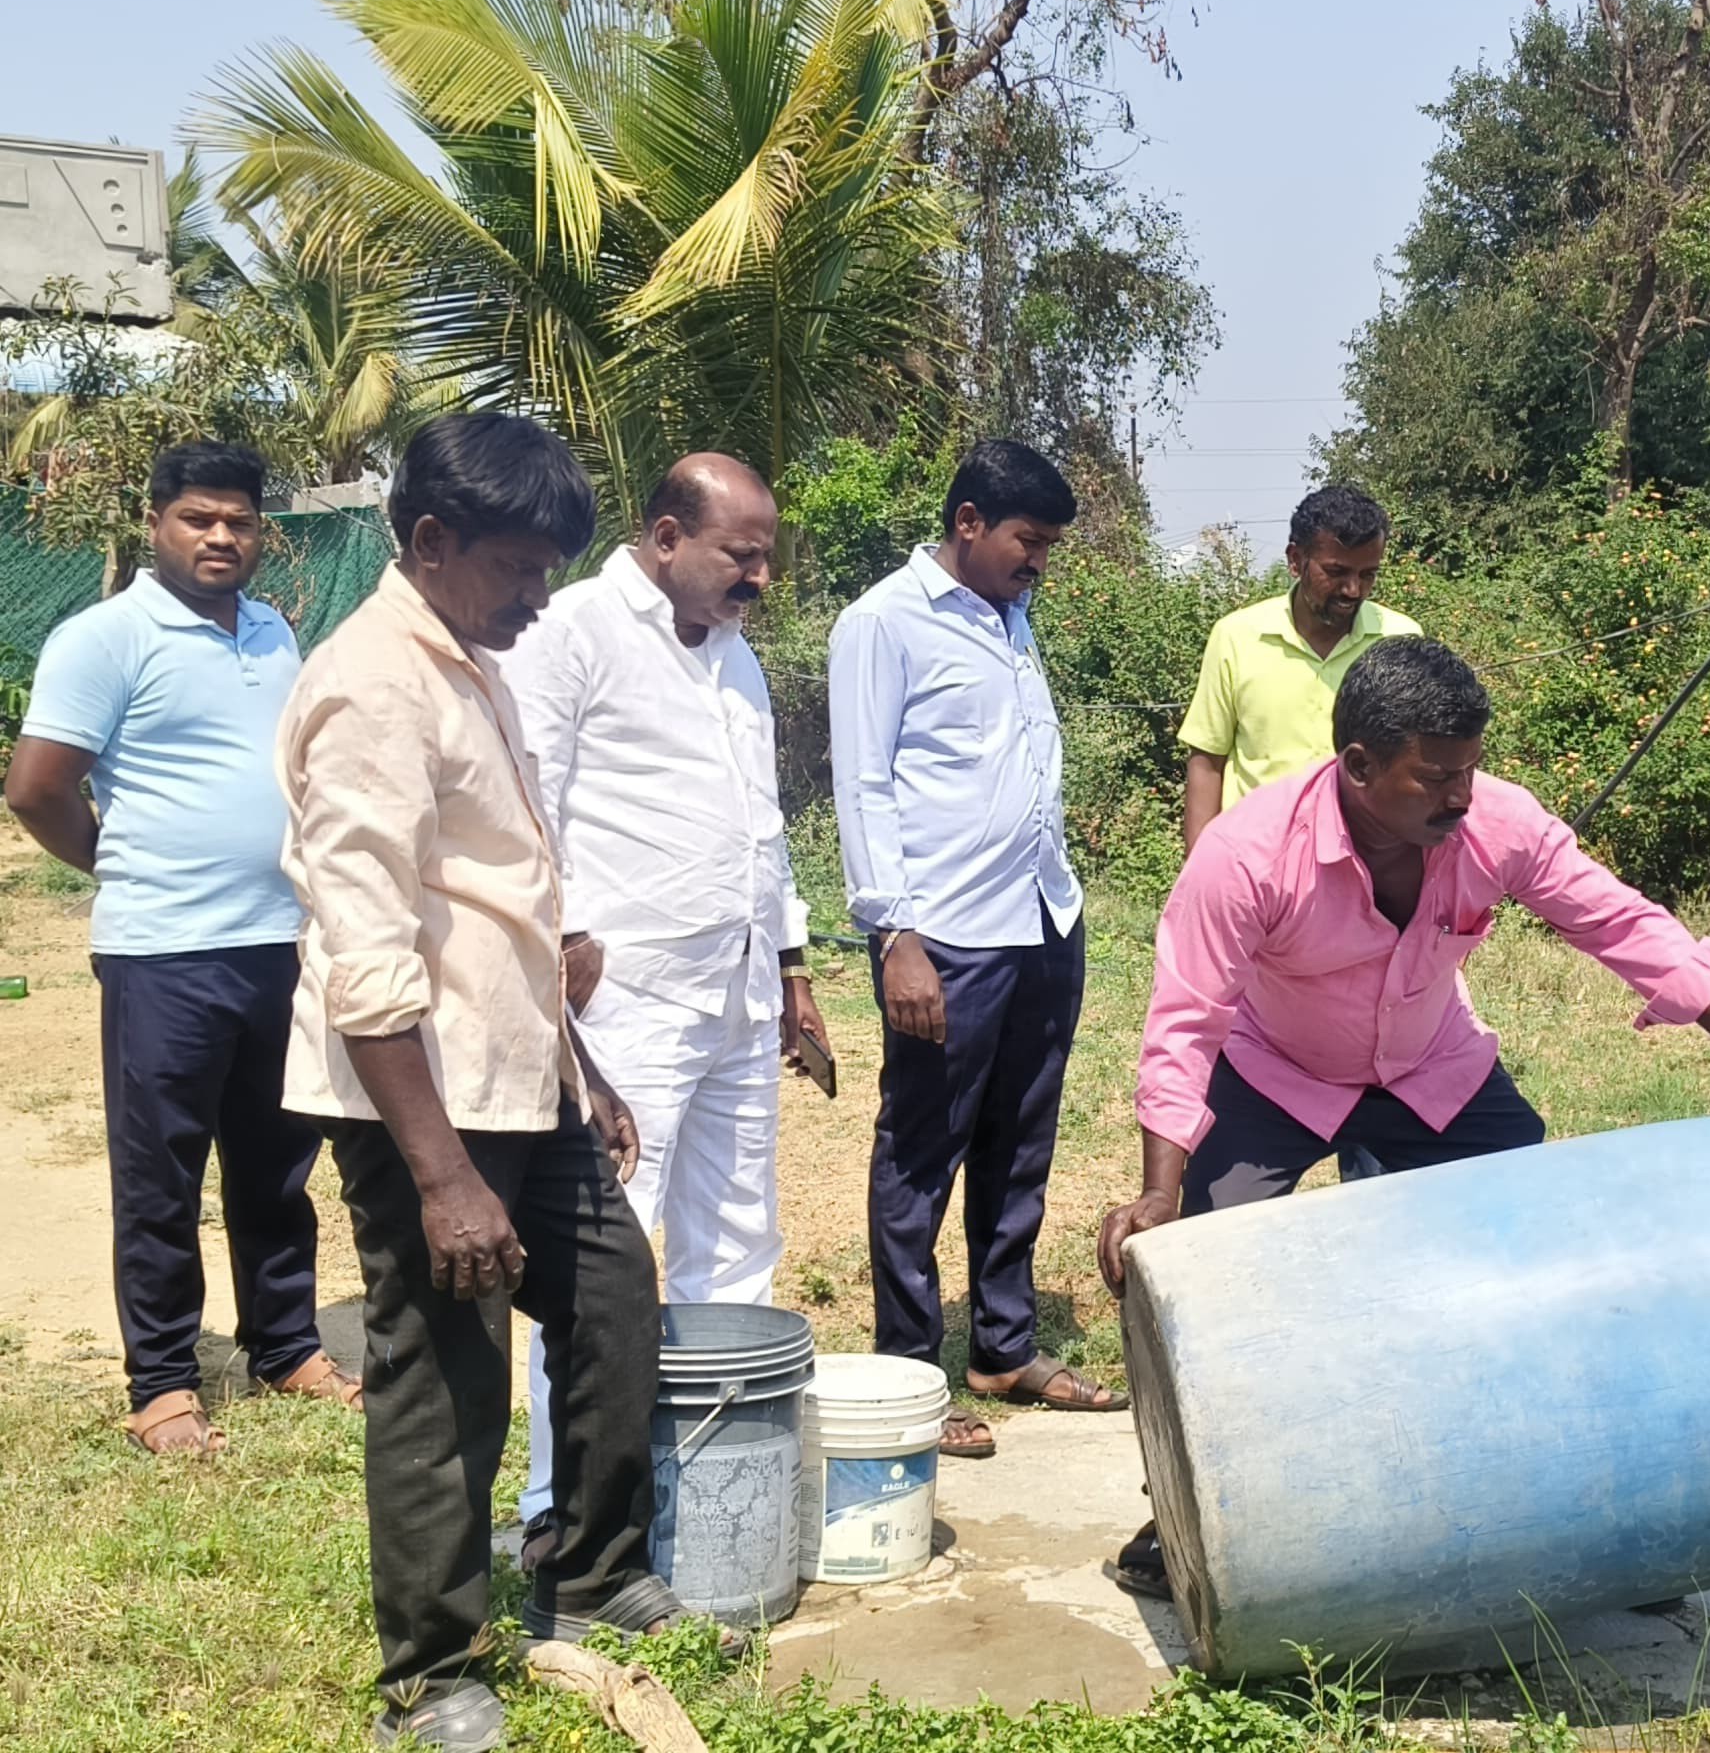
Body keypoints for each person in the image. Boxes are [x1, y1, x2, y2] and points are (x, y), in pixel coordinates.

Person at [1096, 637, 1710, 1597]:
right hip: (1278, 1073)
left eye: (1469, 772)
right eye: (1435, 778)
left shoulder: (1497, 822)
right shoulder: (1246, 855)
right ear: (1357, 767)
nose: (1459, 797)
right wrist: (1161, 1190)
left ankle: (1564, 1492)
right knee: (1208, 1274)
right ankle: (1186, 1516)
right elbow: (1187, 1017)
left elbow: (1617, 919)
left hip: (1432, 1067)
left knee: (1536, 1241)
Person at [280, 413, 719, 1753]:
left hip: (524, 1075)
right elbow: (368, 949)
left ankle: (588, 1572)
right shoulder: (372, 685)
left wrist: (580, 1066)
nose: (543, 596)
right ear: (431, 542)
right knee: (445, 1377)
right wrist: (442, 1174)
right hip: (428, 1101)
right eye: (523, 570)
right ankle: (433, 1669)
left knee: (613, 1304)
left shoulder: (471, 661)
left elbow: (503, 909)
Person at [499, 452, 832, 1571]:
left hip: (735, 992)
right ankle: (562, 1500)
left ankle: (713, 1468)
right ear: (663, 537)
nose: (759, 579)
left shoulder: (738, 660)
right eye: (741, 556)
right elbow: (524, 791)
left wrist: (790, 967)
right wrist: (564, 935)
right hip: (626, 1003)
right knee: (604, 1254)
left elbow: (764, 823)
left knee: (738, 1237)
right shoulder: (578, 630)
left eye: (766, 558)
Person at [3, 441, 361, 1455]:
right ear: (155, 523)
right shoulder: (105, 638)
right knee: (161, 1173)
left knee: (277, 1164)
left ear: (260, 531)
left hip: (275, 944)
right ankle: (161, 1382)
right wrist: (125, 867)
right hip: (164, 952)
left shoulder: (271, 632)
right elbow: (35, 788)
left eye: (238, 521)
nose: (220, 537)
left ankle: (285, 1347)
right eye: (198, 518)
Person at [830, 439, 1127, 1460]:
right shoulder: (883, 622)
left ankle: (1003, 1345)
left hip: (1042, 919)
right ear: (967, 522)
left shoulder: (1011, 614)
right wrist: (894, 934)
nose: (1038, 562)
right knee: (921, 1150)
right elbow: (863, 785)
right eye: (1026, 542)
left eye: (1046, 547)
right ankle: (910, 1373)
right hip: (945, 933)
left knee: (1019, 1140)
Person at [1180, 485, 1419, 1184]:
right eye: (1336, 571)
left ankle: (1376, 1230)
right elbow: (1208, 759)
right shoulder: (1237, 637)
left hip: (1377, 900)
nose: (1352, 589)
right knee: (1251, 1086)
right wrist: (1202, 879)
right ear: (1295, 559)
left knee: (1379, 1098)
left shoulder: (1401, 641)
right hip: (1265, 903)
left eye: (1368, 574)